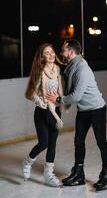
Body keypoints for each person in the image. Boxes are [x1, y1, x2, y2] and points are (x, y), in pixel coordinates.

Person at [46, 39, 107, 191]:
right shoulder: (72, 66)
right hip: (84, 110)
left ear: (71, 52)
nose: (61, 52)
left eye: (63, 49)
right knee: (78, 141)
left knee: (101, 141)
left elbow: (76, 96)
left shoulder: (82, 68)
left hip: (96, 109)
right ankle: (79, 173)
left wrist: (59, 99)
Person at [22, 43, 64, 187]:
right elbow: (31, 92)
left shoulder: (57, 69)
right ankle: (27, 162)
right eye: (47, 53)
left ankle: (48, 173)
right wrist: (40, 101)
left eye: (52, 52)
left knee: (52, 144)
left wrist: (62, 102)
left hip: (55, 111)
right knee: (44, 143)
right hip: (41, 112)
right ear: (42, 57)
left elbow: (60, 89)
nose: (51, 55)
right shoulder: (40, 71)